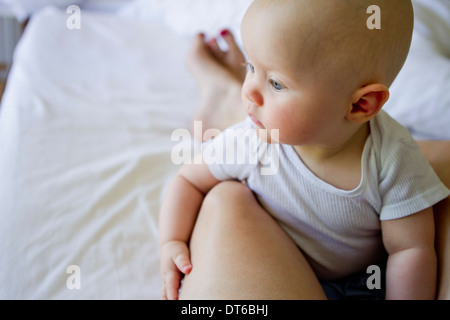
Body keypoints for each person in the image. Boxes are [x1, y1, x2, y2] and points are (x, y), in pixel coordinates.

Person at [159, 0, 450, 300]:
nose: (250, 90)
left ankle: (222, 99)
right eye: (250, 67)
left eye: (276, 83)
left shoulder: (392, 161)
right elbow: (188, 179)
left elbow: (410, 250)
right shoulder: (250, 141)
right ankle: (222, 99)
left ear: (360, 105)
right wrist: (171, 240)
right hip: (265, 263)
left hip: (358, 283)